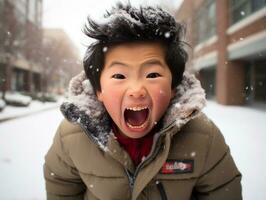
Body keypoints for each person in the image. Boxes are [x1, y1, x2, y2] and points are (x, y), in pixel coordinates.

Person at [43, 2, 242, 200]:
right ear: (98, 91)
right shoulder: (72, 136)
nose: (137, 90)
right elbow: (61, 190)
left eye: (153, 74)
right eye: (119, 76)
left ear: (173, 87)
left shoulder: (203, 137)